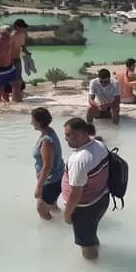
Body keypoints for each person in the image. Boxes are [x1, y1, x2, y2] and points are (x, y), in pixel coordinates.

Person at [61, 118, 111, 260]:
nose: (65, 138)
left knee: (87, 246)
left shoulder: (79, 160)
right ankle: (96, 251)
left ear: (79, 135)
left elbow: (75, 193)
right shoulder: (99, 145)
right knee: (91, 236)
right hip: (101, 199)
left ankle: (94, 271)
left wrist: (67, 214)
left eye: (67, 135)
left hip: (84, 208)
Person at [31, 107, 65, 220]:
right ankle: (62, 221)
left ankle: (54, 233)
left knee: (42, 210)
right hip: (58, 177)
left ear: (40, 122)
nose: (31, 123)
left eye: (33, 120)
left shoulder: (46, 140)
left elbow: (47, 166)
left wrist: (39, 187)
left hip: (51, 181)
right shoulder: (50, 131)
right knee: (53, 208)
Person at [0, 25, 19, 102]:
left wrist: (13, 64)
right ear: (1, 33)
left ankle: (15, 105)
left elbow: (9, 53)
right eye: (6, 34)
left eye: (9, 33)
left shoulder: (10, 39)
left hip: (10, 68)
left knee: (16, 85)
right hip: (0, 71)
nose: (8, 36)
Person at [7, 19, 30, 102]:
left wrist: (27, 53)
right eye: (22, 27)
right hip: (10, 60)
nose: (24, 29)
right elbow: (7, 49)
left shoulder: (23, 34)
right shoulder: (12, 36)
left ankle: (19, 93)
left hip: (17, 58)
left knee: (19, 77)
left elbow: (22, 46)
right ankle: (13, 95)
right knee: (12, 79)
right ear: (17, 27)